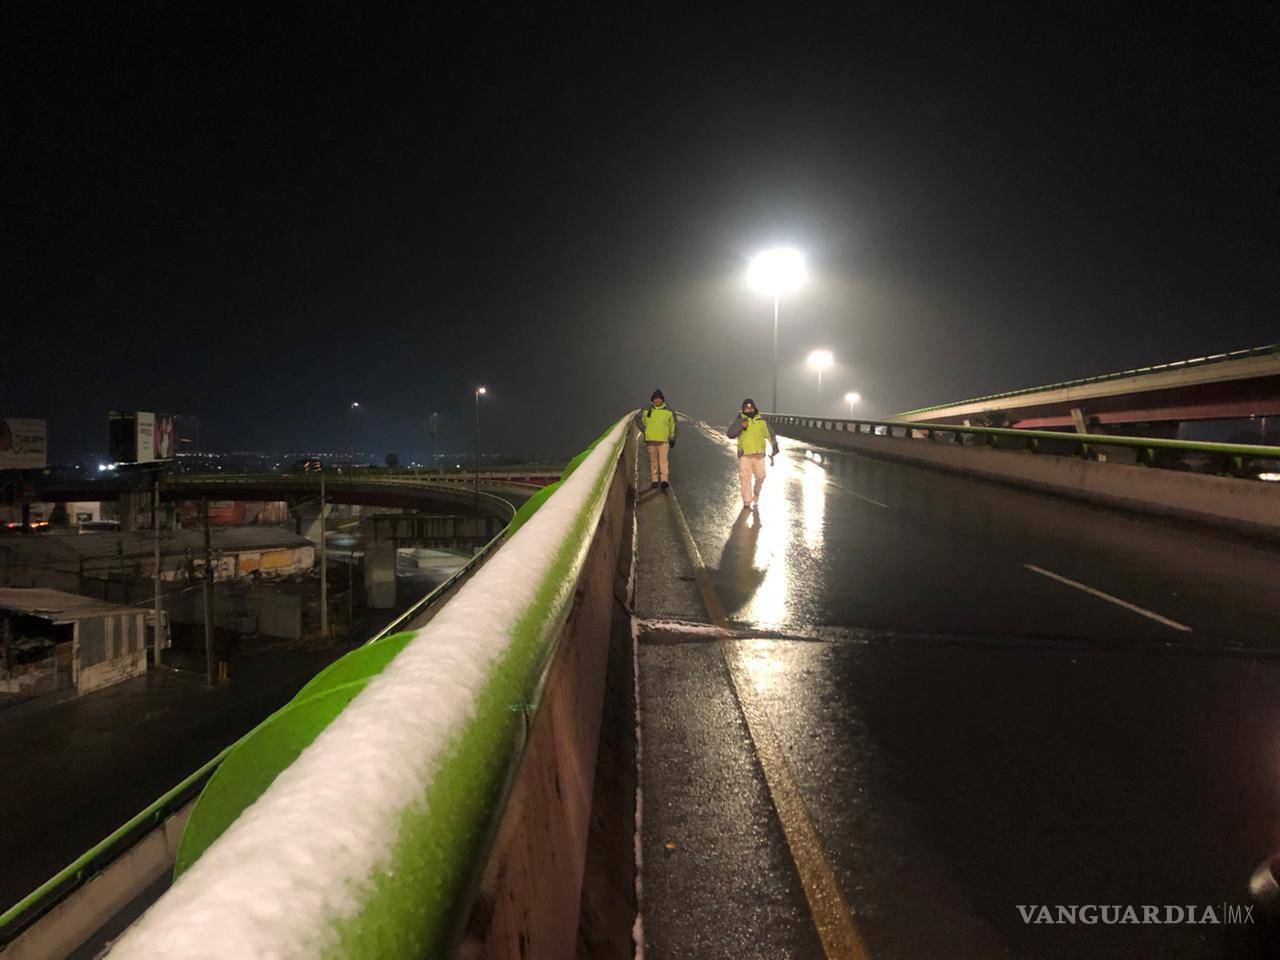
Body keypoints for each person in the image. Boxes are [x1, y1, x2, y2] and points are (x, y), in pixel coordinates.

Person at [726, 397, 778, 509]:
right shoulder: (740, 420)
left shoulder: (761, 421)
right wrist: (741, 426)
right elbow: (730, 434)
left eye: (751, 407)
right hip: (745, 455)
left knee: (761, 476)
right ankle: (747, 501)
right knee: (745, 477)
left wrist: (775, 446)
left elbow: (770, 434)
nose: (749, 409)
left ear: (754, 408)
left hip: (759, 455)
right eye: (746, 407)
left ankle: (756, 492)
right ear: (743, 409)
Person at [637, 388, 677, 491]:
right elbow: (638, 419)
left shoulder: (668, 411)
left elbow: (674, 425)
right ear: (652, 400)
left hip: (663, 441)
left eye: (659, 399)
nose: (657, 401)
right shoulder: (646, 410)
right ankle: (654, 480)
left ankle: (664, 480)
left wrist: (673, 438)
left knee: (663, 461)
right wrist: (645, 430)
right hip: (651, 440)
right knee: (653, 462)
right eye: (655, 399)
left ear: (662, 400)